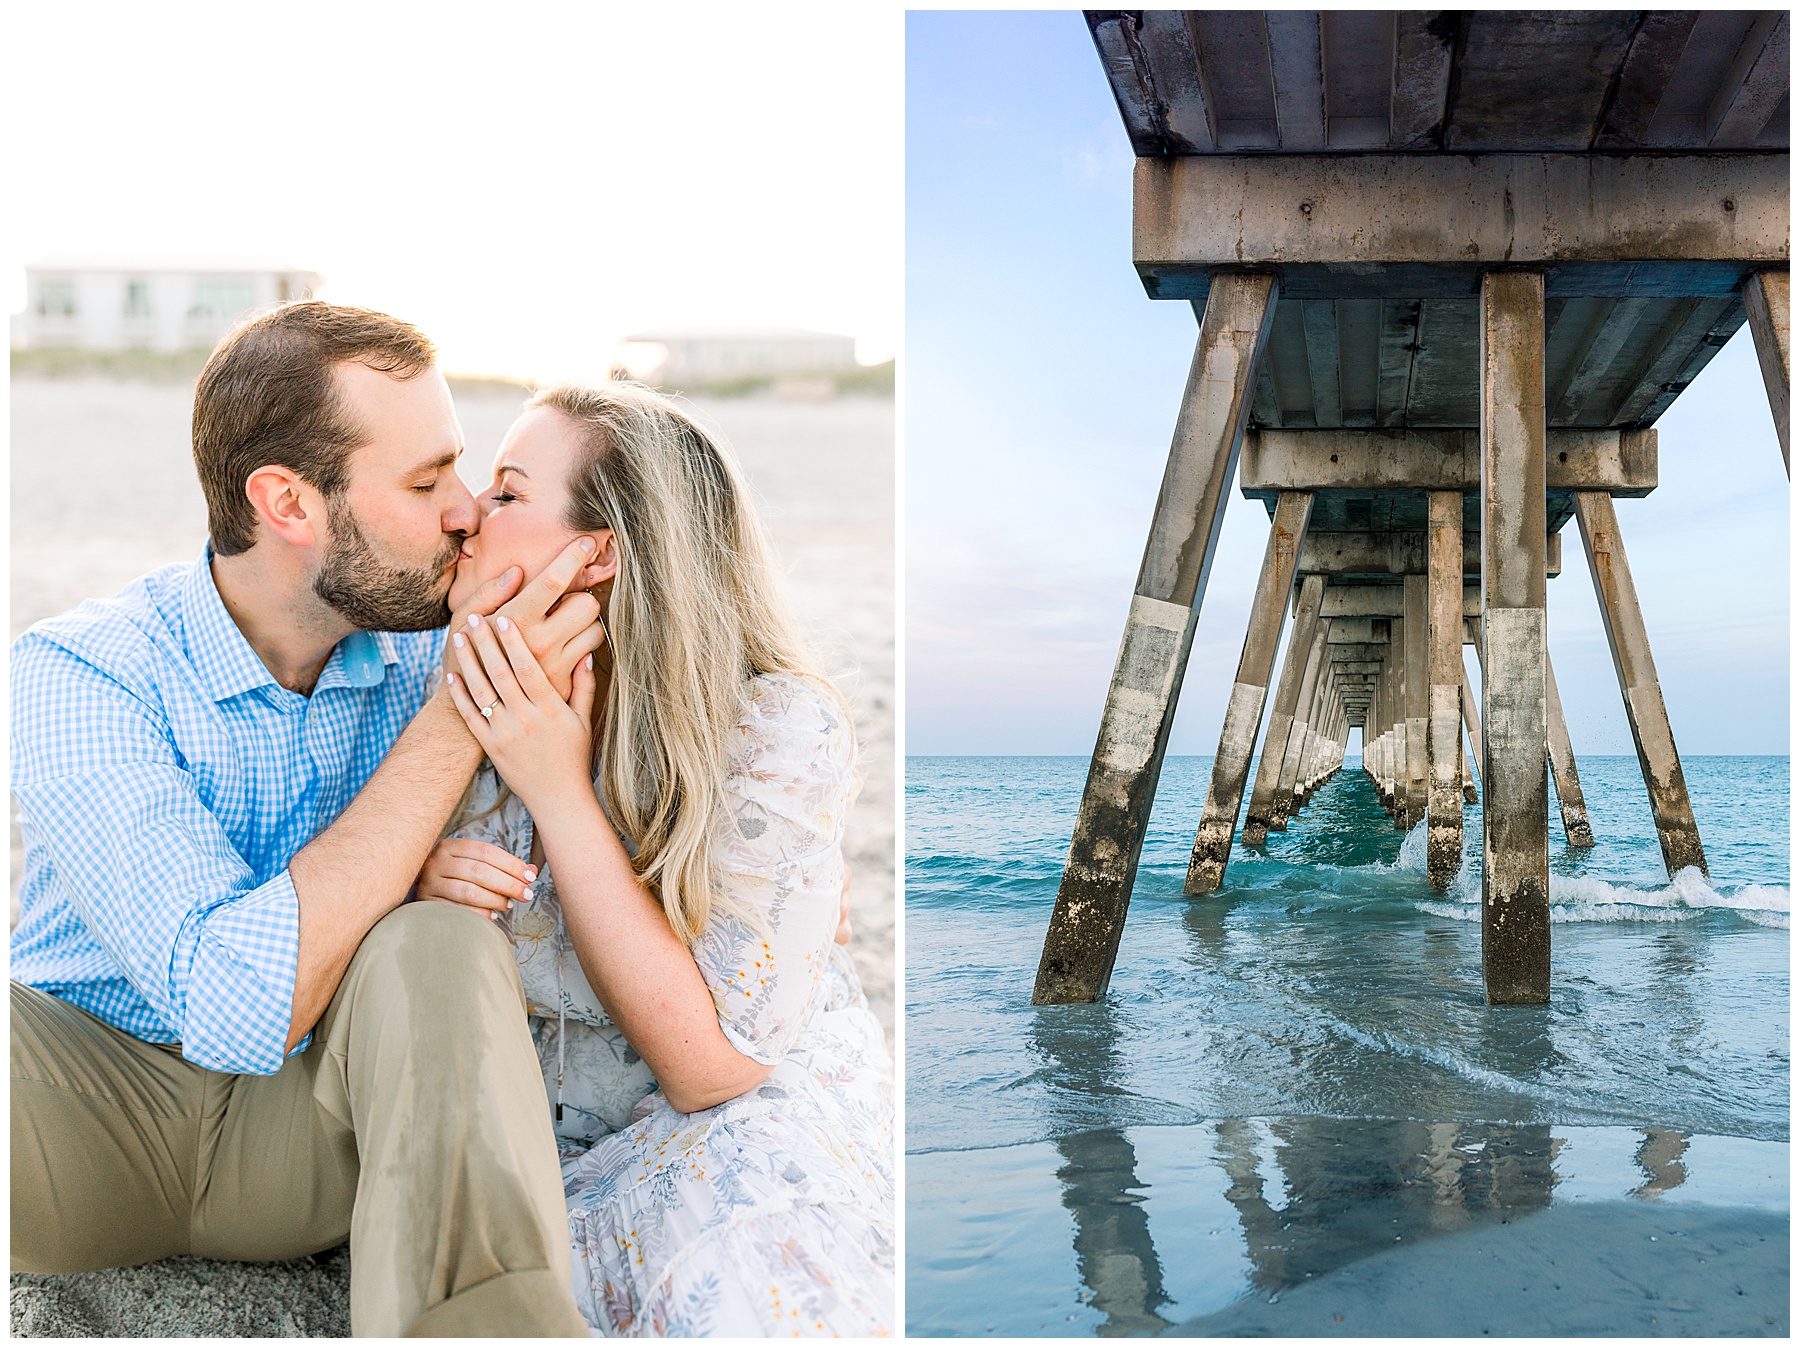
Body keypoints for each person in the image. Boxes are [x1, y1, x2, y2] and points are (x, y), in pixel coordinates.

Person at [10, 302, 602, 1336]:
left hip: (319, 1126)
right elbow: (230, 1000)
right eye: (425, 483)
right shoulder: (80, 670)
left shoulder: (430, 638)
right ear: (287, 502)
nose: (466, 510)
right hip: (76, 1117)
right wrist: (454, 724)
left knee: (439, 943)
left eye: (459, 472)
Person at [413, 383, 895, 1335]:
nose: (467, 513)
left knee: (758, 1240)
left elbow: (711, 1068)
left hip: (731, 1116)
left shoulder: (771, 726)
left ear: (599, 551)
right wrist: (415, 891)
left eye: (508, 494)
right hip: (538, 1151)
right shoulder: (423, 675)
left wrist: (556, 788)